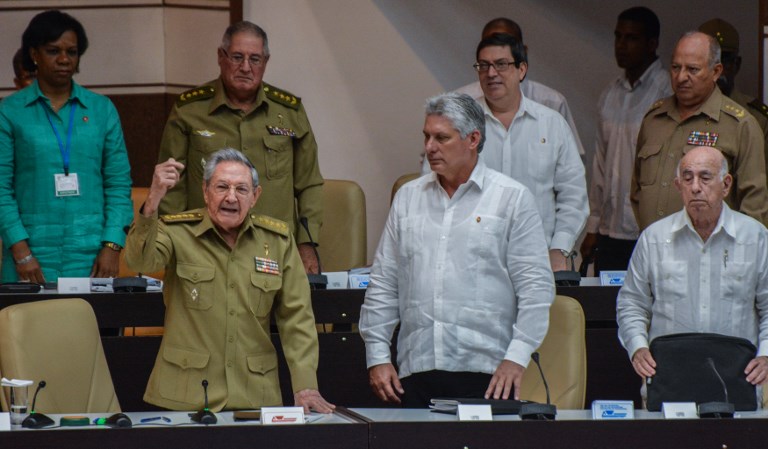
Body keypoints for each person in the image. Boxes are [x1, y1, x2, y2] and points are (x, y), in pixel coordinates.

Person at [360, 92, 555, 407]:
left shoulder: (511, 199)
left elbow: (536, 290)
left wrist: (517, 358)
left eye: (441, 138)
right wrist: (378, 355)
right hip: (416, 370)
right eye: (426, 136)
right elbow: (384, 282)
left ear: (473, 139)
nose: (429, 147)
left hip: (488, 374)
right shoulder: (408, 198)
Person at [125, 148, 334, 413]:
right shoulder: (177, 232)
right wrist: (152, 200)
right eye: (222, 186)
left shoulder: (277, 240)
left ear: (255, 196)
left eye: (242, 189)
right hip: (185, 395)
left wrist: (305, 385)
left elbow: (297, 318)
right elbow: (139, 262)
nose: (231, 197)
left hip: (254, 394)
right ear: (205, 191)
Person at [156, 21, 323, 275]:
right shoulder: (189, 110)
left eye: (255, 59)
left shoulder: (289, 112)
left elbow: (309, 184)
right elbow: (172, 186)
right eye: (237, 57)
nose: (246, 67)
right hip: (205, 249)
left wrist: (307, 244)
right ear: (221, 58)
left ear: (265, 61)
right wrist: (176, 242)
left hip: (275, 249)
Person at [618, 146, 768, 390]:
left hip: (740, 379)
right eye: (687, 179)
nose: (695, 187)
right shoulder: (654, 238)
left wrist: (766, 356)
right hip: (668, 378)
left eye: (705, 178)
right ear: (678, 186)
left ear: (726, 184)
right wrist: (638, 347)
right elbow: (632, 304)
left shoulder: (755, 237)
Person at [0, 10, 133, 283]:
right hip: (30, 258)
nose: (64, 59)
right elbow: (1, 189)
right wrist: (21, 253)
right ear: (34, 54)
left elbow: (118, 184)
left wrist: (112, 247)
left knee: (90, 327)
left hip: (92, 256)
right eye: (53, 51)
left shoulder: (101, 110)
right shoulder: (10, 111)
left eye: (72, 52)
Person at [470, 32, 587, 272]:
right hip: (474, 259)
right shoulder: (462, 124)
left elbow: (573, 196)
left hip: (539, 260)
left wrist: (560, 249)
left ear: (521, 70)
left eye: (501, 64)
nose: (491, 73)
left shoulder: (552, 124)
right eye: (484, 65)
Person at [631, 31, 768, 232]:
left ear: (716, 71)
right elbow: (637, 192)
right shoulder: (654, 119)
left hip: (713, 253)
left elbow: (754, 206)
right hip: (656, 250)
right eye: (676, 68)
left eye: (692, 69)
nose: (681, 77)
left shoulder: (740, 124)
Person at [581, 7, 672, 274]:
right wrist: (593, 226)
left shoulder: (667, 91)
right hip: (610, 230)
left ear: (652, 43)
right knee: (607, 312)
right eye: (618, 37)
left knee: (647, 313)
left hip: (648, 230)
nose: (621, 45)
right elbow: (600, 165)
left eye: (631, 38)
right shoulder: (610, 94)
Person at [455, 17, 585, 158]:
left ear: (523, 52)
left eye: (502, 60)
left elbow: (572, 165)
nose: (497, 51)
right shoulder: (459, 104)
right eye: (490, 44)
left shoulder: (552, 103)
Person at [698, 18, 768, 168]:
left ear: (737, 64)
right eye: (710, 61)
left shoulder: (757, 118)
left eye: (725, 60)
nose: (718, 69)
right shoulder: (678, 113)